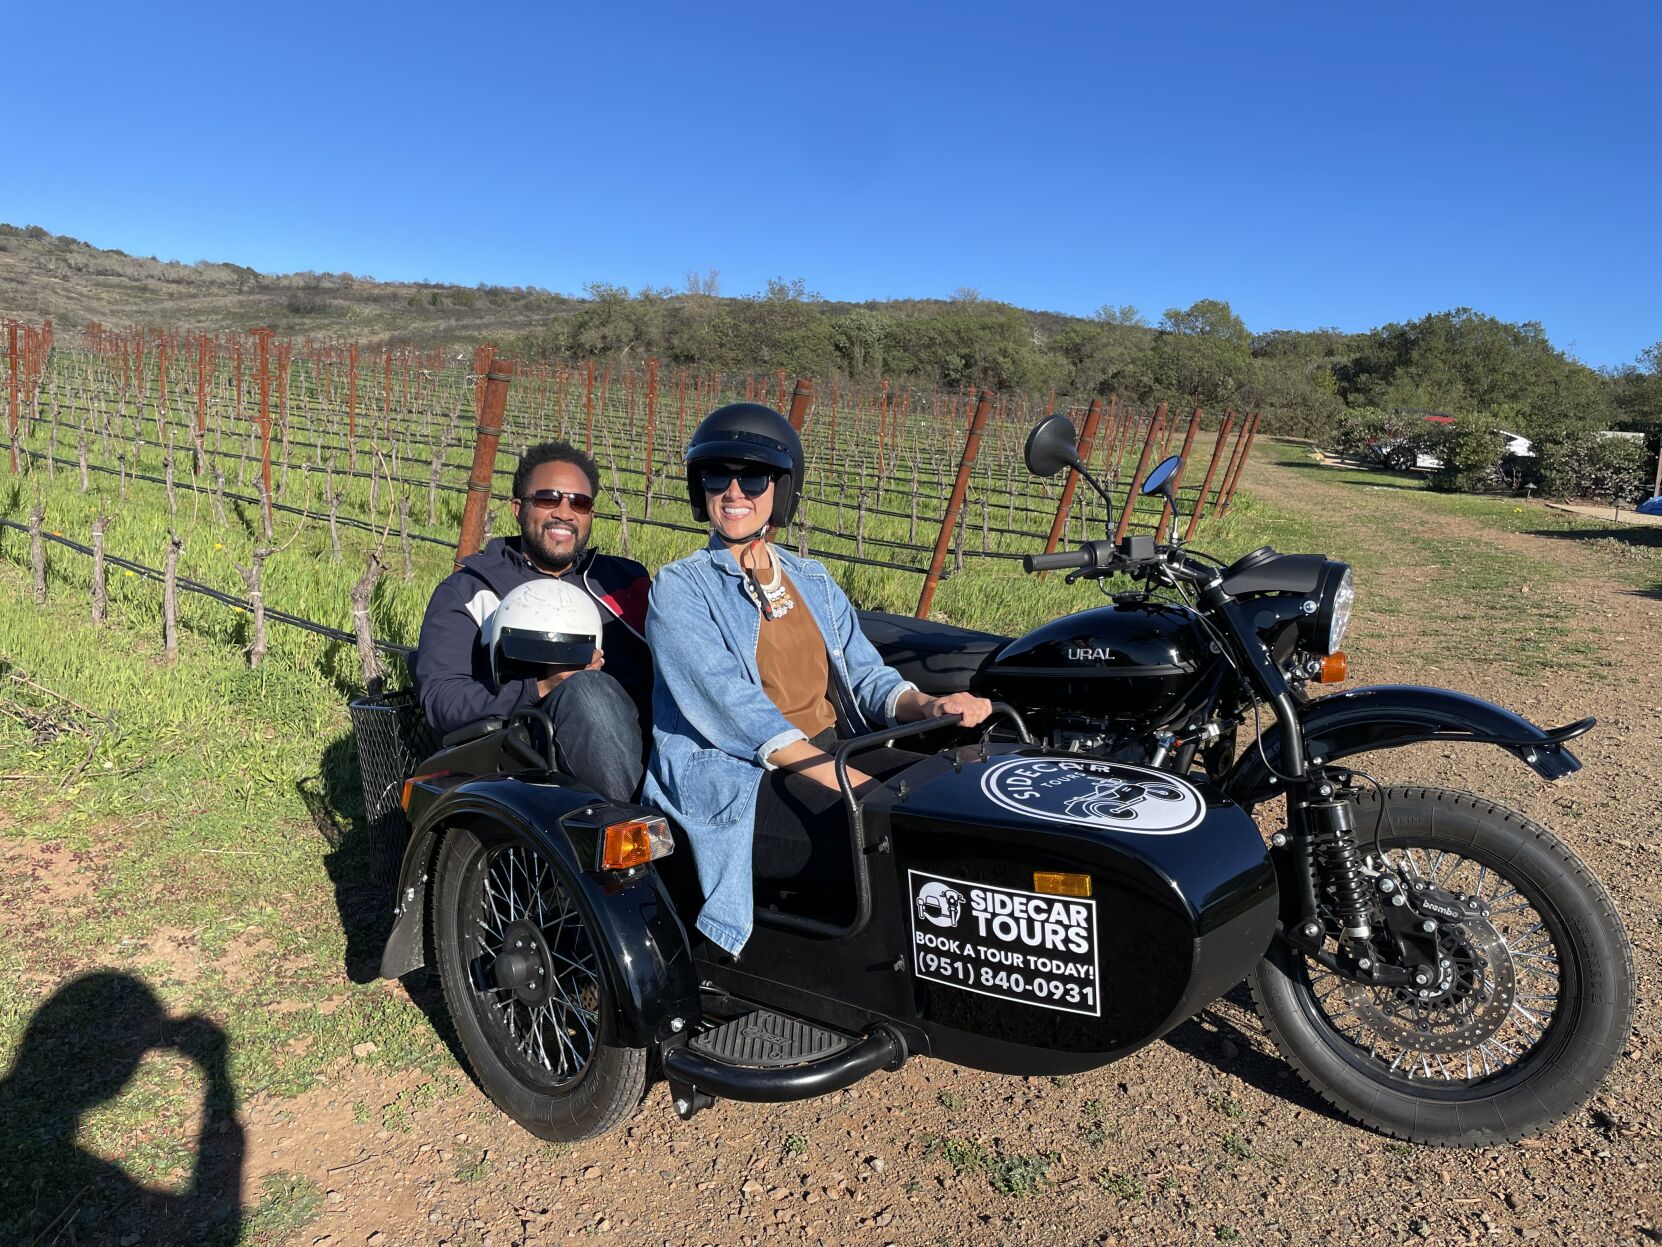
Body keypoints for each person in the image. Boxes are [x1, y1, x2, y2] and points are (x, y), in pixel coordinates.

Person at [642, 403, 991, 956]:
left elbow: (864, 674)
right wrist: (863, 789)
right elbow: (741, 717)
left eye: (752, 477)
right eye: (717, 476)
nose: (734, 492)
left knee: (959, 800)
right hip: (740, 781)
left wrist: (926, 705)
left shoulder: (811, 578)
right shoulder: (680, 588)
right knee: (890, 832)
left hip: (832, 751)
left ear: (781, 490)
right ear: (699, 486)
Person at [414, 439, 650, 802]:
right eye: (547, 498)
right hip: (530, 761)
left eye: (579, 502)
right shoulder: (471, 590)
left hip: (647, 745)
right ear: (518, 508)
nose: (564, 512)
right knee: (588, 692)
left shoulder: (623, 581)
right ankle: (637, 834)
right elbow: (442, 700)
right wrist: (540, 687)